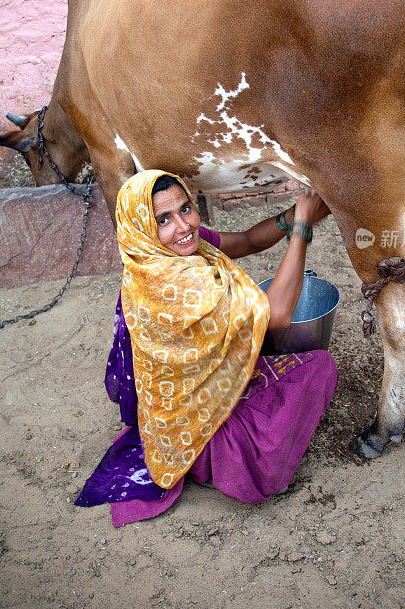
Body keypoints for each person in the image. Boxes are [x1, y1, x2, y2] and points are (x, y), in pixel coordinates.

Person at [75, 170, 338, 527]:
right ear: (142, 226)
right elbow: (277, 314)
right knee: (319, 367)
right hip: (197, 434)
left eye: (186, 209)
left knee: (260, 345)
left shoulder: (152, 259)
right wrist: (302, 225)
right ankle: (227, 464)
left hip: (178, 406)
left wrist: (290, 215)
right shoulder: (177, 284)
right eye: (163, 220)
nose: (183, 226)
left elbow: (247, 239)